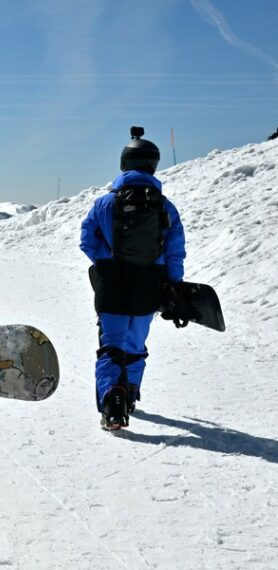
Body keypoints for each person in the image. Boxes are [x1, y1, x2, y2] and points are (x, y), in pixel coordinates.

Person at [80, 126, 186, 430]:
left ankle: (113, 403)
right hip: (148, 285)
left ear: (124, 163)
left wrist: (106, 261)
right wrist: (172, 282)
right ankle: (131, 392)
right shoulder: (165, 207)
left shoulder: (104, 203)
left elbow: (87, 240)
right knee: (135, 342)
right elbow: (175, 250)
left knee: (111, 344)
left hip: (112, 284)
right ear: (153, 165)